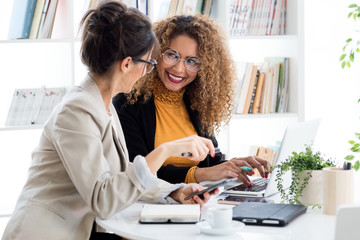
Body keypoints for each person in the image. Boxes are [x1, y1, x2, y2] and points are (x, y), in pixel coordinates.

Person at [2, 2, 218, 240]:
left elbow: (122, 175)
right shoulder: (76, 111)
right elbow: (102, 199)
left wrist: (177, 191)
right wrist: (166, 150)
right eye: (148, 63)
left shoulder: (103, 104)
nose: (148, 73)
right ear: (126, 64)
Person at [113, 14, 271, 186]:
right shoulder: (127, 102)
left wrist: (232, 166)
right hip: (152, 205)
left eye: (192, 61)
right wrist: (201, 174)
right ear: (156, 54)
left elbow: (211, 162)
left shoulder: (198, 101)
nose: (179, 69)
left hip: (197, 201)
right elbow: (139, 173)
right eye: (172, 55)